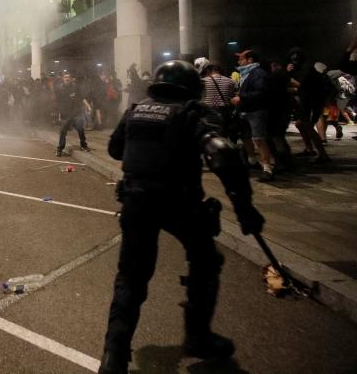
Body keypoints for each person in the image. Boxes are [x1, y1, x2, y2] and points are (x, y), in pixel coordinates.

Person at [98, 60, 265, 374]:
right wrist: (245, 208)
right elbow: (224, 153)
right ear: (191, 87)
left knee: (131, 278)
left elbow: (115, 151)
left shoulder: (135, 110)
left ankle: (114, 356)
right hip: (178, 201)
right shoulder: (190, 111)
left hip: (136, 201)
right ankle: (198, 336)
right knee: (206, 261)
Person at [232, 50, 275, 181]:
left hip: (256, 111)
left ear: (250, 60)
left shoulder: (258, 73)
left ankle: (267, 168)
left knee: (258, 139)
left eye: (241, 59)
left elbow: (261, 93)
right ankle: (252, 162)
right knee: (246, 137)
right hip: (246, 110)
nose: (239, 62)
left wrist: (241, 97)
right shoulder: (246, 73)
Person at [55, 73, 91, 156]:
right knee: (62, 131)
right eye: (65, 77)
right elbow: (58, 102)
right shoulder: (59, 88)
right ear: (63, 78)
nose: (67, 78)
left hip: (76, 113)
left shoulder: (76, 87)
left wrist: (88, 106)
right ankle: (60, 148)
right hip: (65, 114)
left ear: (71, 78)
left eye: (68, 77)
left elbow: (82, 98)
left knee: (80, 129)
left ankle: (84, 145)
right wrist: (59, 113)